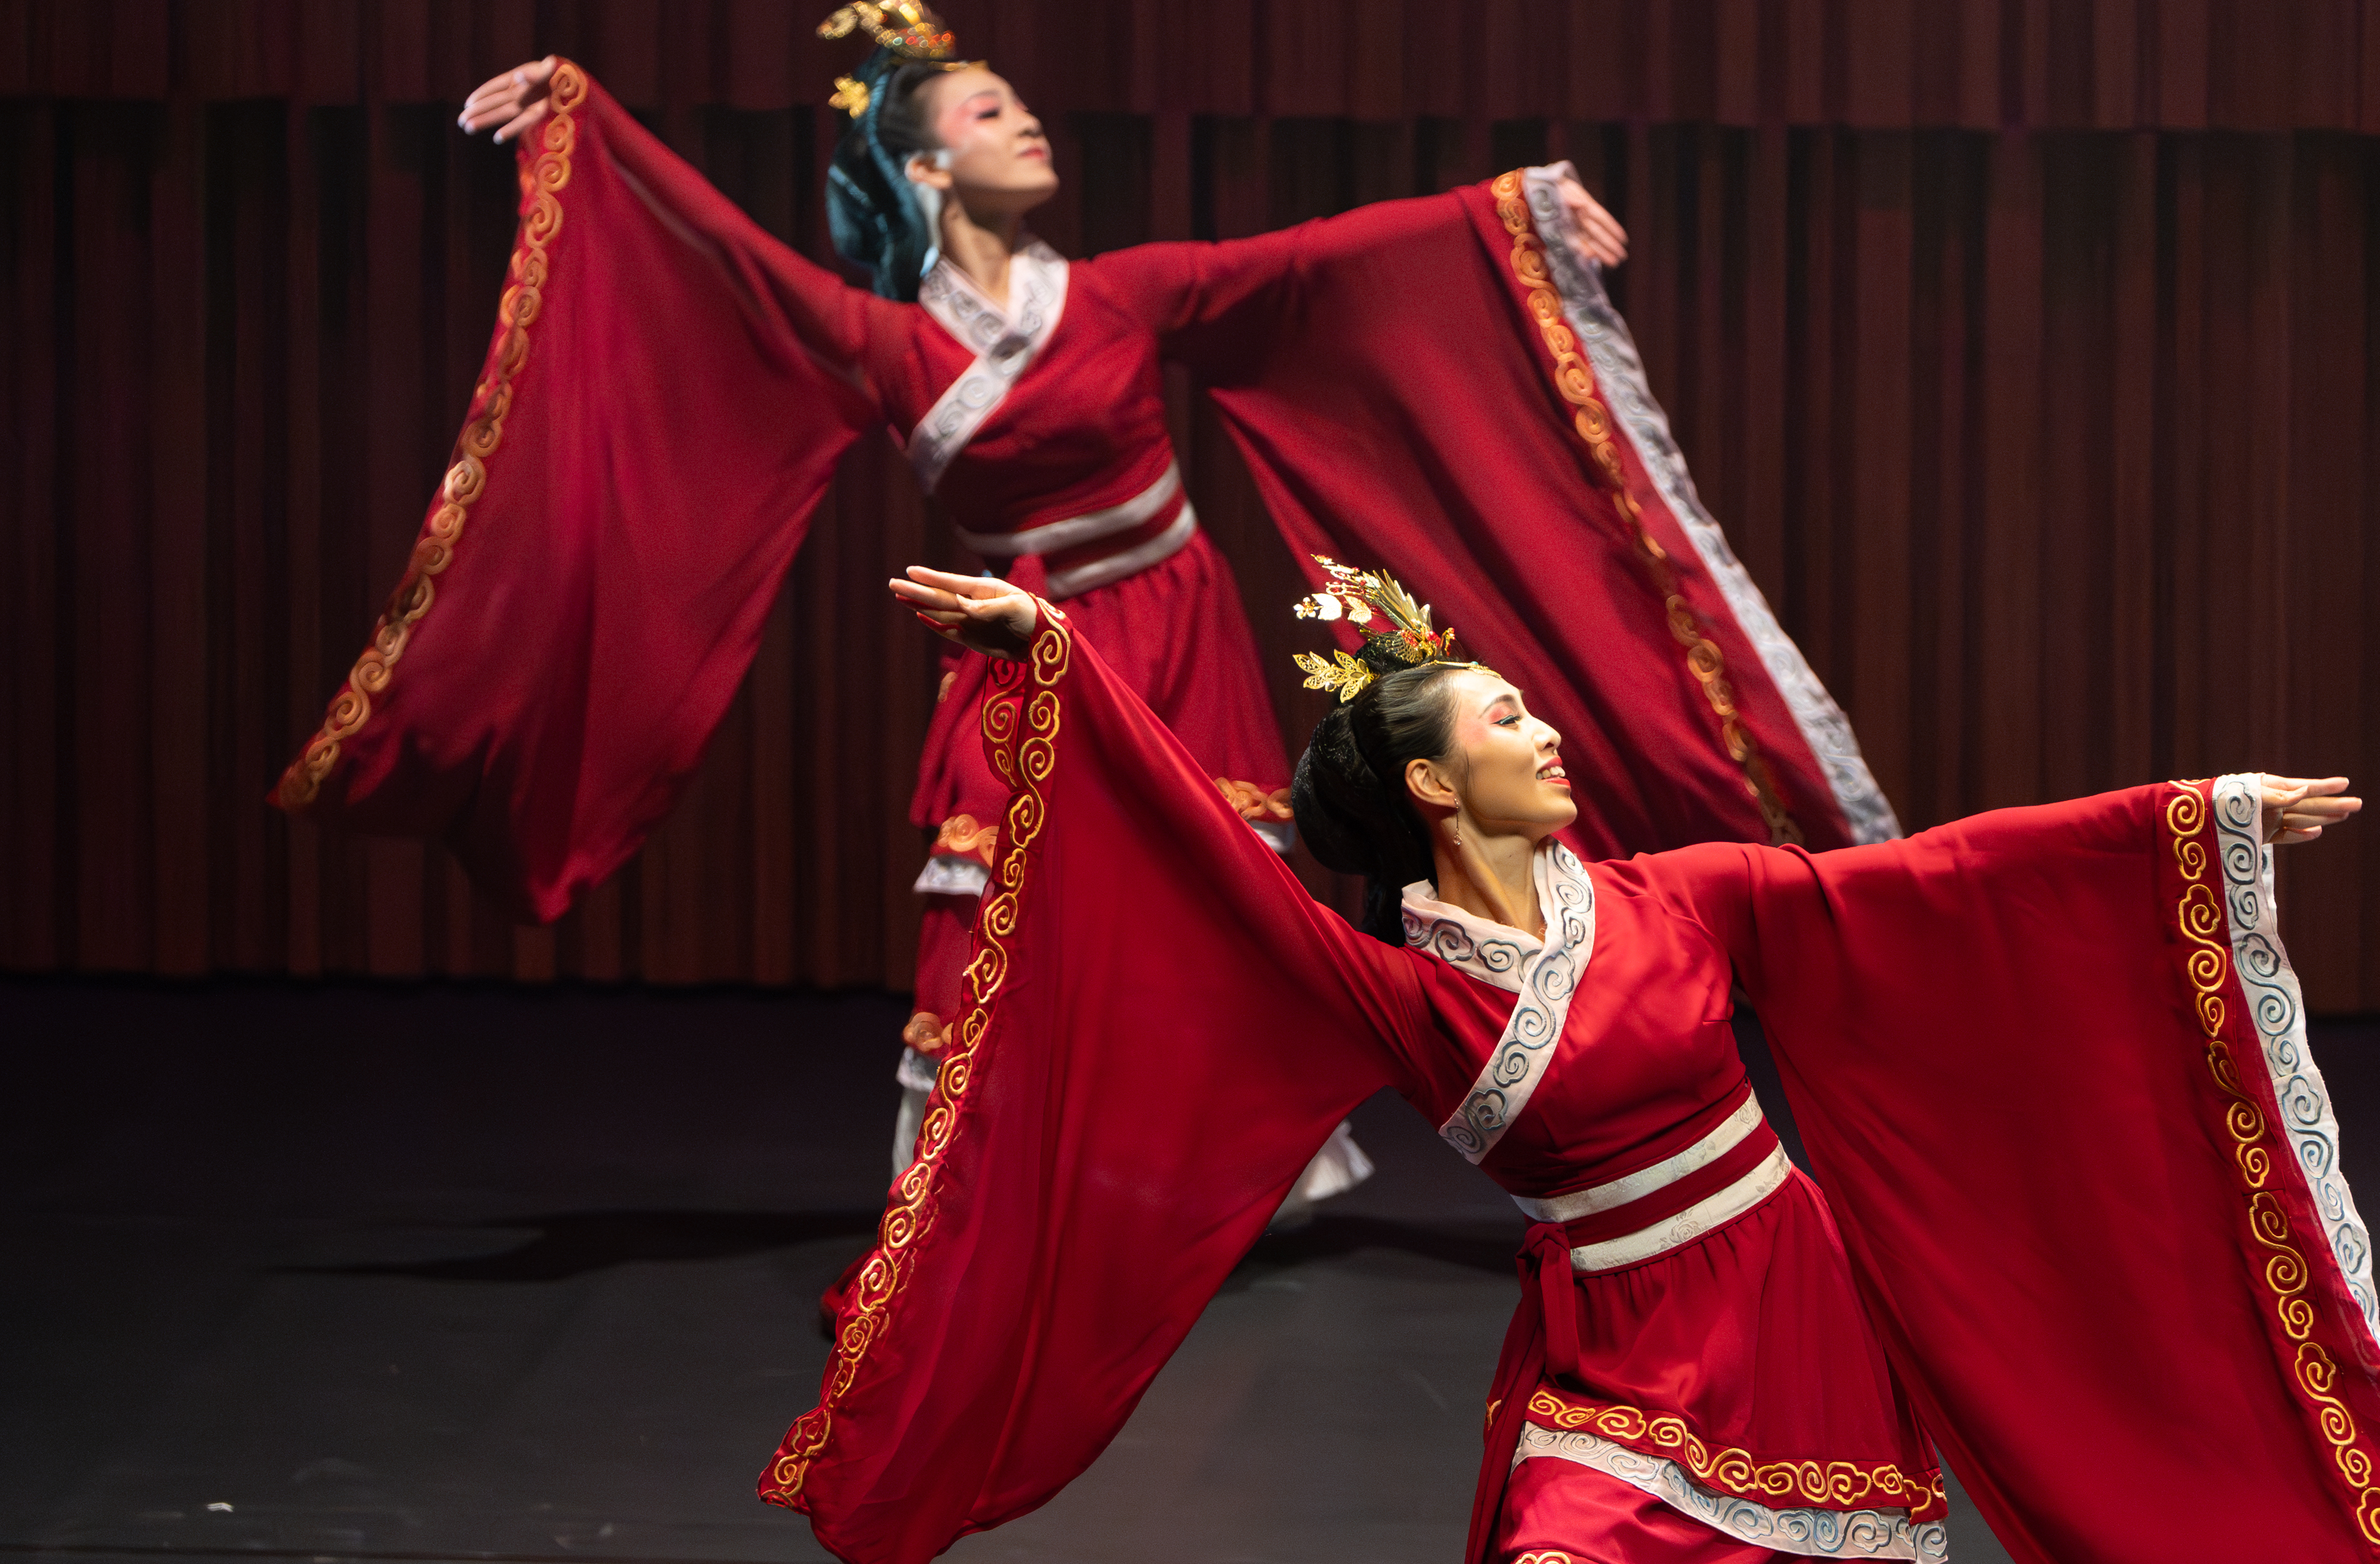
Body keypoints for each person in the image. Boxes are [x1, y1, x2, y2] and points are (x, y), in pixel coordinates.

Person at [761, 559, 2380, 1564]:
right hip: (1608, 1345)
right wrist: (1058, 654)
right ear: (1437, 784)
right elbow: (1208, 870)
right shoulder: (1403, 990)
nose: (1543, 731)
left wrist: (2180, 819)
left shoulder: (1681, 897)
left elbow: (1932, 880)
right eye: (1504, 717)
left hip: (1792, 1313)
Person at [286, 5, 1892, 1188]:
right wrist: (585, 115)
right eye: (993, 115)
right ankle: (962, 1190)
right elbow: (716, 261)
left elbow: (1323, 262)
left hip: (1171, 627)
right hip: (1022, 646)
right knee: (996, 902)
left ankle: (1223, 1177)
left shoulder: (1122, 295)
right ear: (925, 162)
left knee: (1218, 902)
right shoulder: (888, 341)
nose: (1031, 129)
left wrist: (1510, 212)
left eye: (1023, 107)